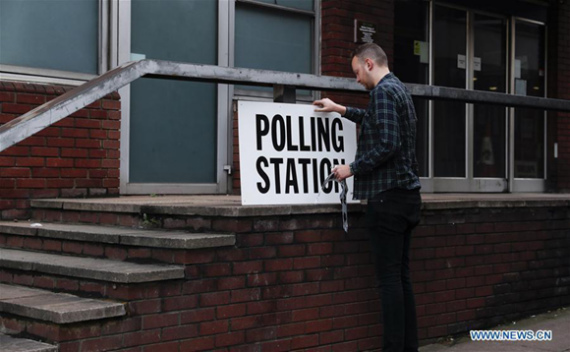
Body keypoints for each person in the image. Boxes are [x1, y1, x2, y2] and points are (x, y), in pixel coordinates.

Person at [313, 43, 422, 352]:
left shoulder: (383, 93)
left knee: (389, 281)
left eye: (357, 72)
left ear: (370, 64)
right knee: (401, 279)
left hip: (388, 200)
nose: (357, 79)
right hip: (407, 198)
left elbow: (388, 143)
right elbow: (378, 121)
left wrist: (352, 168)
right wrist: (341, 109)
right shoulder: (397, 88)